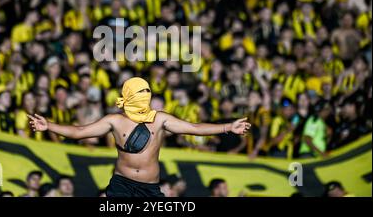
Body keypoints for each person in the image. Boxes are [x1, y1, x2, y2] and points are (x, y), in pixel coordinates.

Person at [29, 77, 251, 197]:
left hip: (150, 188)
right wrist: (49, 125)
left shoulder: (160, 119)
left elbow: (193, 127)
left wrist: (227, 127)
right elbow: (79, 132)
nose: (144, 96)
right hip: (121, 186)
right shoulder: (114, 121)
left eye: (146, 92)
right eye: (139, 93)